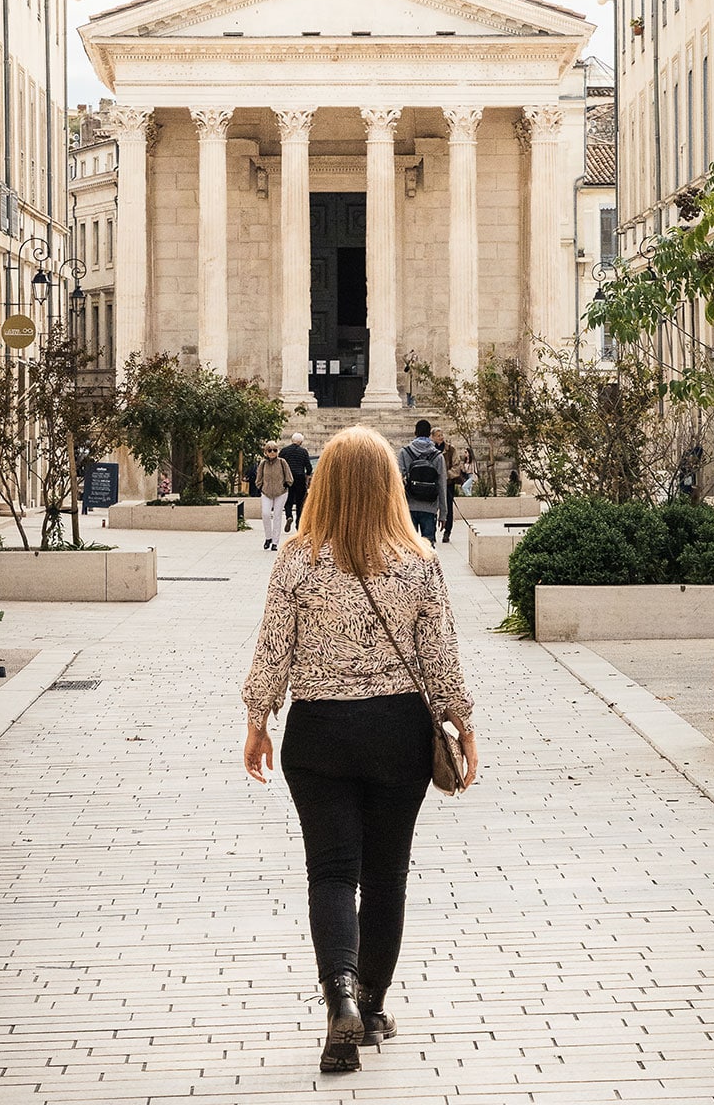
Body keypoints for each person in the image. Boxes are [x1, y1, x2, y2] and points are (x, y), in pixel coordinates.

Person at [242, 426, 477, 1074]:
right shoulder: (419, 560)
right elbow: (440, 658)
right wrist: (462, 723)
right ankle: (371, 1006)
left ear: (322, 484)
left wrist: (259, 719)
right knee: (385, 875)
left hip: (318, 733)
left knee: (332, 873)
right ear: (389, 485)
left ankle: (340, 1001)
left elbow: (272, 651)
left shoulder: (295, 557)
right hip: (398, 734)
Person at [397, 419, 447, 545]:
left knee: (409, 547)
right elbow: (442, 485)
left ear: (415, 432)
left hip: (409, 505)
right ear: (430, 435)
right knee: (429, 547)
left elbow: (397, 481)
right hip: (430, 507)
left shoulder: (404, 452)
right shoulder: (438, 456)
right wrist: (443, 514)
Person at [255, 442, 294, 550]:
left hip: (281, 492)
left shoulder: (282, 462)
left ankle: (275, 542)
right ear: (266, 452)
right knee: (266, 514)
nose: (272, 452)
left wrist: (286, 484)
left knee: (277, 515)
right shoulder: (263, 464)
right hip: (266, 492)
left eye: (275, 450)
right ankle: (268, 537)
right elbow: (259, 477)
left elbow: (289, 476)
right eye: (270, 450)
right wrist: (260, 487)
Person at [281, 430, 313, 530]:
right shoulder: (303, 452)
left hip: (288, 478)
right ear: (301, 442)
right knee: (300, 502)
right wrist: (307, 477)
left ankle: (289, 516)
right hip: (300, 478)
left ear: (292, 440)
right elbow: (309, 468)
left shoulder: (284, 451)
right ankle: (298, 523)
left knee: (288, 500)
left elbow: (279, 465)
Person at [436, 431, 463, 544]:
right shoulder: (431, 450)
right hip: (434, 485)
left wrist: (445, 476)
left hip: (448, 483)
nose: (441, 437)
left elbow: (456, 465)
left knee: (448, 508)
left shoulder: (451, 450)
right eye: (438, 435)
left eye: (442, 435)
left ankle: (447, 532)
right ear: (432, 437)